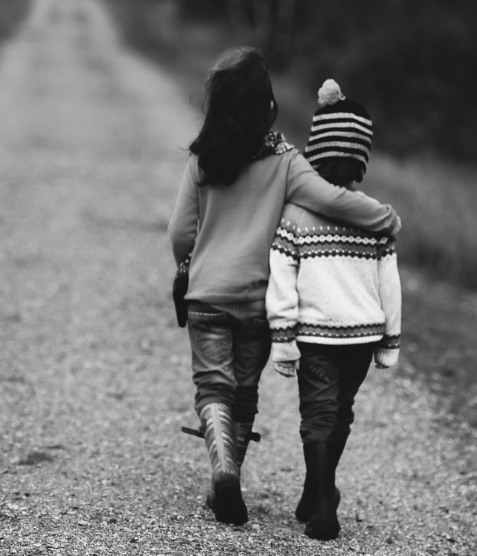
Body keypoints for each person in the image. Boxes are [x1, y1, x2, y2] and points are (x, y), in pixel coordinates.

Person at [167, 50, 402, 526]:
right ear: (266, 106)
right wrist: (386, 219)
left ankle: (224, 470)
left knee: (213, 386)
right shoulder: (286, 162)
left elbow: (179, 232)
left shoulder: (202, 160)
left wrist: (190, 267)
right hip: (258, 301)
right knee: (244, 392)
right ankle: (231, 474)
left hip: (207, 296)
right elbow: (333, 200)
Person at [265, 79, 402, 541]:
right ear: (361, 160)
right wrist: (391, 340)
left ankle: (323, 503)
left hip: (316, 335)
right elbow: (390, 284)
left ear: (313, 153)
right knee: (340, 412)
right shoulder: (373, 216)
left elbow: (281, 278)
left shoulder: (296, 214)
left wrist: (282, 339)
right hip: (362, 336)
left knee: (318, 415)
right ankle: (316, 490)